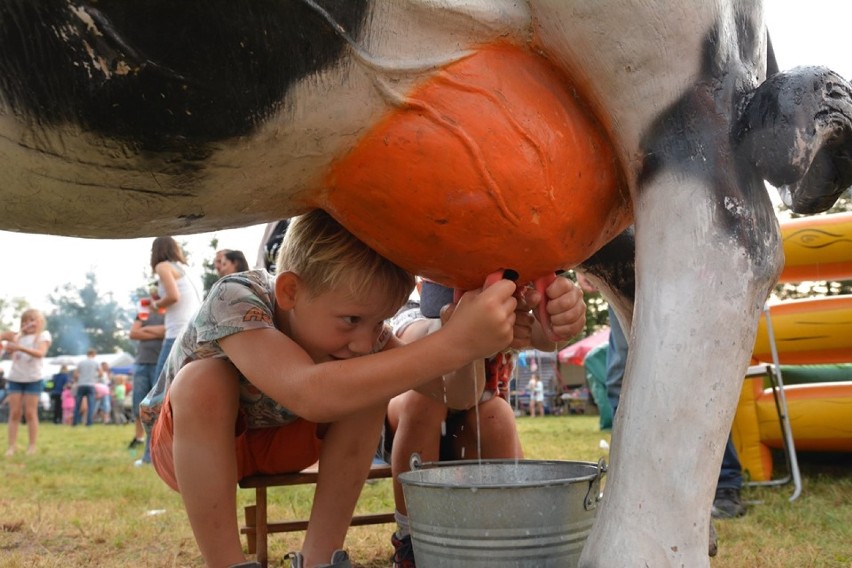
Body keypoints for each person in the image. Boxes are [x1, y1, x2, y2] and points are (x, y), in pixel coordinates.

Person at [139, 209, 518, 568]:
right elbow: (309, 393)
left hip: (282, 443)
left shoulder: (362, 334)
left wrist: (472, 346)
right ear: (290, 291)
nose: (363, 340)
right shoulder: (236, 297)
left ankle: (322, 558)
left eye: (377, 323)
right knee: (204, 379)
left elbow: (459, 396)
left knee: (366, 377)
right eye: (351, 319)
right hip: (185, 447)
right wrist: (453, 343)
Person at [386, 278, 586, 568]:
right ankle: (411, 537)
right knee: (425, 402)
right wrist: (452, 332)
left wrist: (563, 313)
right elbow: (412, 334)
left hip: (472, 425)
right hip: (406, 425)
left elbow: (547, 336)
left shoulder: (507, 317)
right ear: (421, 291)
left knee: (498, 416)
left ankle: (502, 532)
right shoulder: (413, 313)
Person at [149, 236, 201, 381]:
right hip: (195, 331)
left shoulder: (163, 266)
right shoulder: (187, 269)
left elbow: (173, 296)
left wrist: (155, 305)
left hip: (177, 332)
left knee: (160, 385)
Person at [1, 309, 51, 456]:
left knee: (30, 413)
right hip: (15, 378)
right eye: (25, 320)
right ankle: (11, 446)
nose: (29, 323)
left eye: (32, 320)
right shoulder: (17, 337)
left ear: (40, 322)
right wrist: (8, 337)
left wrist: (19, 347)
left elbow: (40, 354)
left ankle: (32, 446)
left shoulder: (43, 335)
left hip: (33, 378)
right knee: (14, 413)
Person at [128, 308, 165, 464]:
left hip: (160, 363)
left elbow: (168, 331)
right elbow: (133, 334)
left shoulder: (168, 312)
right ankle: (139, 438)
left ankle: (157, 445)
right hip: (142, 364)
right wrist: (157, 333)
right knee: (139, 404)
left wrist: (145, 330)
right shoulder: (143, 312)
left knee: (156, 405)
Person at [73, 349, 101, 426]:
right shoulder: (96, 363)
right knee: (91, 404)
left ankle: (75, 422)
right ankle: (89, 422)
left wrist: (79, 379)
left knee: (77, 404)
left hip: (81, 384)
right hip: (91, 385)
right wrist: (95, 377)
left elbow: (75, 374)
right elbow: (101, 373)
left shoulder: (81, 363)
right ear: (94, 354)